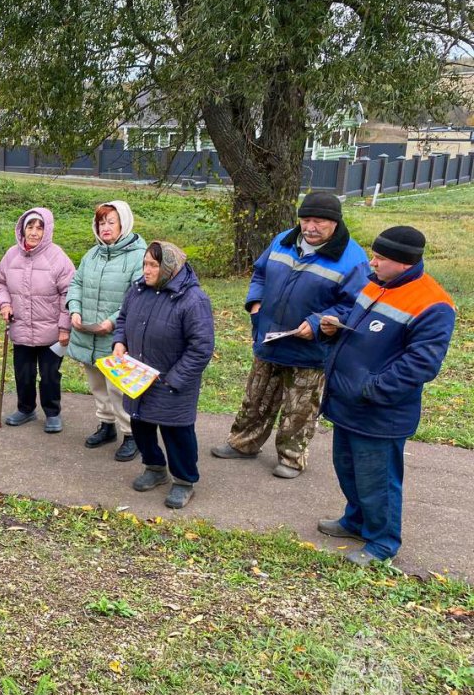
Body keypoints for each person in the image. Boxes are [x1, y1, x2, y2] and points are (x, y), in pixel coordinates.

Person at [317, 226, 455, 566]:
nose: (371, 263)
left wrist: (371, 389)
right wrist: (337, 325)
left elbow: (421, 365)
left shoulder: (434, 305)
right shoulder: (377, 282)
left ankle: (382, 544)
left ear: (404, 264)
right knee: (347, 469)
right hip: (347, 402)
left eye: (380, 258)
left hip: (379, 412)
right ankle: (356, 521)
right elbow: (359, 320)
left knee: (377, 480)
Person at [211, 192, 368, 479]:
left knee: (300, 407)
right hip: (269, 336)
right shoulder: (283, 240)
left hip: (310, 347)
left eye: (318, 222)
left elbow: (354, 305)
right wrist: (255, 303)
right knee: (256, 397)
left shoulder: (353, 259)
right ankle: (244, 443)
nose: (310, 227)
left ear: (335, 222)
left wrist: (318, 322)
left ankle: (291, 457)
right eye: (306, 220)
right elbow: (259, 274)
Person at [113, 242, 214, 509]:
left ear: (169, 267)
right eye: (145, 264)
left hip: (171, 383)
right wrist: (119, 342)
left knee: (177, 433)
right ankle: (154, 467)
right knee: (140, 425)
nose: (146, 270)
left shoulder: (193, 300)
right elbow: (122, 319)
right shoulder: (138, 290)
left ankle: (183, 480)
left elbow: (201, 347)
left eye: (153, 265)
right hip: (138, 377)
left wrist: (174, 380)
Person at [67, 200, 146, 459]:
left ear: (124, 222)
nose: (105, 228)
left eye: (111, 222)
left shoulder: (138, 255)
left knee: (118, 387)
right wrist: (75, 309)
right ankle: (106, 425)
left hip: (116, 336)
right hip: (88, 333)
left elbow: (135, 296)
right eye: (101, 223)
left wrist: (111, 321)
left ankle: (130, 434)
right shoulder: (93, 254)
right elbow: (76, 283)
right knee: (97, 384)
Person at [0, 207, 75, 433]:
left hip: (51, 332)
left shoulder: (58, 257)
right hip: (20, 327)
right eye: (30, 226)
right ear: (22, 228)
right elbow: (0, 283)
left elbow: (69, 293)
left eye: (39, 227)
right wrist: (5, 304)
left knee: (50, 376)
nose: (34, 232)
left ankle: (52, 413)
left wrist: (64, 327)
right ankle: (26, 409)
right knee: (24, 373)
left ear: (47, 230)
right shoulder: (11, 255)